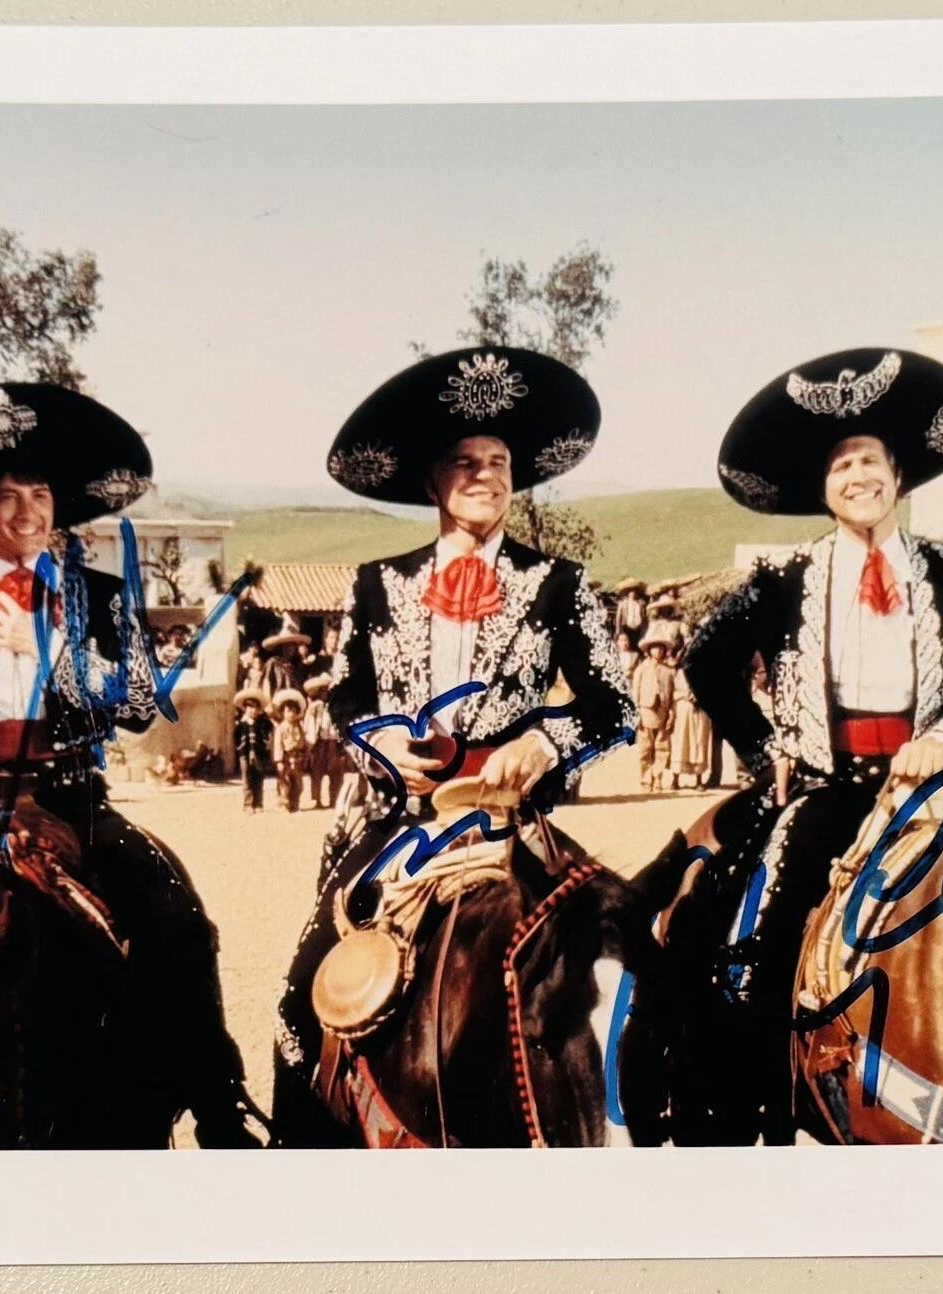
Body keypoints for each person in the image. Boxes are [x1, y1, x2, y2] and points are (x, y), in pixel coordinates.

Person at [0, 381, 257, 1149]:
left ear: (58, 504)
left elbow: (143, 700)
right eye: (6, 495)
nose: (24, 512)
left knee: (175, 914)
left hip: (72, 800)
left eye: (38, 492)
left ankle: (218, 1098)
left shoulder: (103, 595)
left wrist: (53, 655)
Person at [272, 346, 637, 1146]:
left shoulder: (560, 584)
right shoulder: (375, 583)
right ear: (433, 481)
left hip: (515, 826)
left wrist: (545, 742)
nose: (486, 476)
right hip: (398, 824)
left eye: (500, 462)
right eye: (466, 463)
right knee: (302, 991)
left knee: (624, 947)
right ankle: (297, 1150)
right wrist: (380, 744)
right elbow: (345, 696)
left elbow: (618, 708)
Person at [665, 347, 943, 1144]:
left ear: (898, 475)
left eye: (869, 458)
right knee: (764, 944)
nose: (856, 475)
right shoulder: (783, 579)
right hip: (826, 795)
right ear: (822, 489)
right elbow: (706, 662)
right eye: (840, 465)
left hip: (930, 794)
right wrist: (767, 752)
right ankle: (757, 1106)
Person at [631, 630, 676, 792]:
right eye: (655, 648)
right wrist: (636, 714)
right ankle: (646, 778)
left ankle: (657, 777)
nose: (658, 651)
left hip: (662, 711)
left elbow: (672, 694)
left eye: (661, 648)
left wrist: (671, 713)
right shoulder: (642, 669)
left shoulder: (669, 671)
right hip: (646, 710)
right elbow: (635, 692)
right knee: (645, 747)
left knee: (662, 746)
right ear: (649, 650)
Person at [301, 674, 345, 810]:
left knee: (335, 771)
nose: (325, 694)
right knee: (317, 771)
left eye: (327, 690)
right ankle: (316, 798)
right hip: (318, 740)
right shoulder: (315, 707)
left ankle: (334, 797)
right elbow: (308, 723)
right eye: (322, 691)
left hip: (332, 741)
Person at [668, 669, 714, 790]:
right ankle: (675, 779)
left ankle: (698, 779)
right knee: (681, 742)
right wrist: (684, 696)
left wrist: (699, 696)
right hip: (683, 709)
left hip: (700, 710)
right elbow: (670, 691)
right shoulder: (679, 673)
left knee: (699, 743)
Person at [233, 687, 273, 812]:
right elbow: (236, 737)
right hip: (245, 754)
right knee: (247, 779)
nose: (253, 710)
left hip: (259, 754)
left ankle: (259, 803)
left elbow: (268, 731)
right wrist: (240, 748)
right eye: (250, 707)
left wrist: (265, 744)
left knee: (259, 778)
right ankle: (248, 804)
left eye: (256, 707)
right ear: (245, 708)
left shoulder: (262, 723)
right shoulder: (241, 724)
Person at [271, 688, 308, 812]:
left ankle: (295, 803)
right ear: (283, 713)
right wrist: (279, 761)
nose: (291, 714)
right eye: (288, 711)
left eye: (293, 711)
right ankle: (284, 803)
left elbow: (303, 741)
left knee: (297, 783)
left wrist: (305, 754)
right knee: (284, 781)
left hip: (297, 758)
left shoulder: (299, 727)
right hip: (286, 757)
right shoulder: (281, 728)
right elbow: (278, 745)